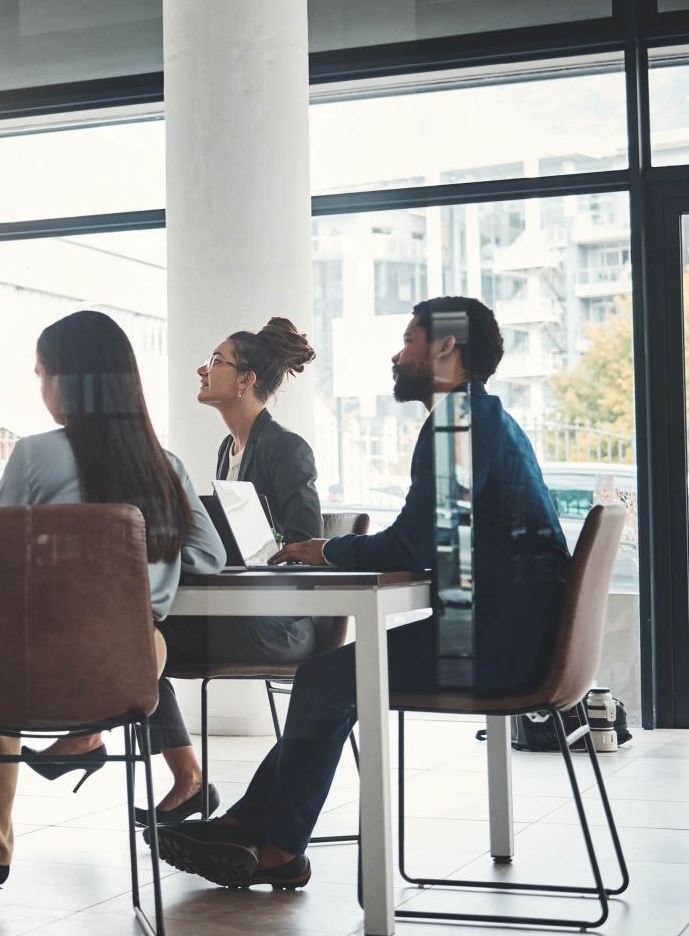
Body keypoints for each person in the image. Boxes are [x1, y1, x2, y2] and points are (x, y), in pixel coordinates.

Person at [156, 297, 570, 890]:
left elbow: (410, 547)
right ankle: (255, 828)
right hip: (516, 635)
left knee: (327, 679)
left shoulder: (458, 422)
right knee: (327, 678)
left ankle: (273, 843)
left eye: (408, 341)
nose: (398, 355)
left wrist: (327, 549)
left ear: (445, 347)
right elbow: (423, 542)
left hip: (497, 648)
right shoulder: (486, 418)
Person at [0, 312, 224, 924]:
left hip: (29, 647)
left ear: (68, 383)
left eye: (42, 376)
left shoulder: (32, 456)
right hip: (131, 661)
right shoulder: (167, 465)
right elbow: (208, 559)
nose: (42, 390)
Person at [33, 318, 322, 823]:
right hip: (232, 611)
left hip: (279, 624)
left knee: (133, 637)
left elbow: (302, 541)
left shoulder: (285, 448)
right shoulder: (227, 451)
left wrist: (250, 538)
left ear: (245, 379)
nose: (202, 369)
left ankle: (98, 739)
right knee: (133, 633)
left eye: (215, 361)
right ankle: (180, 775)